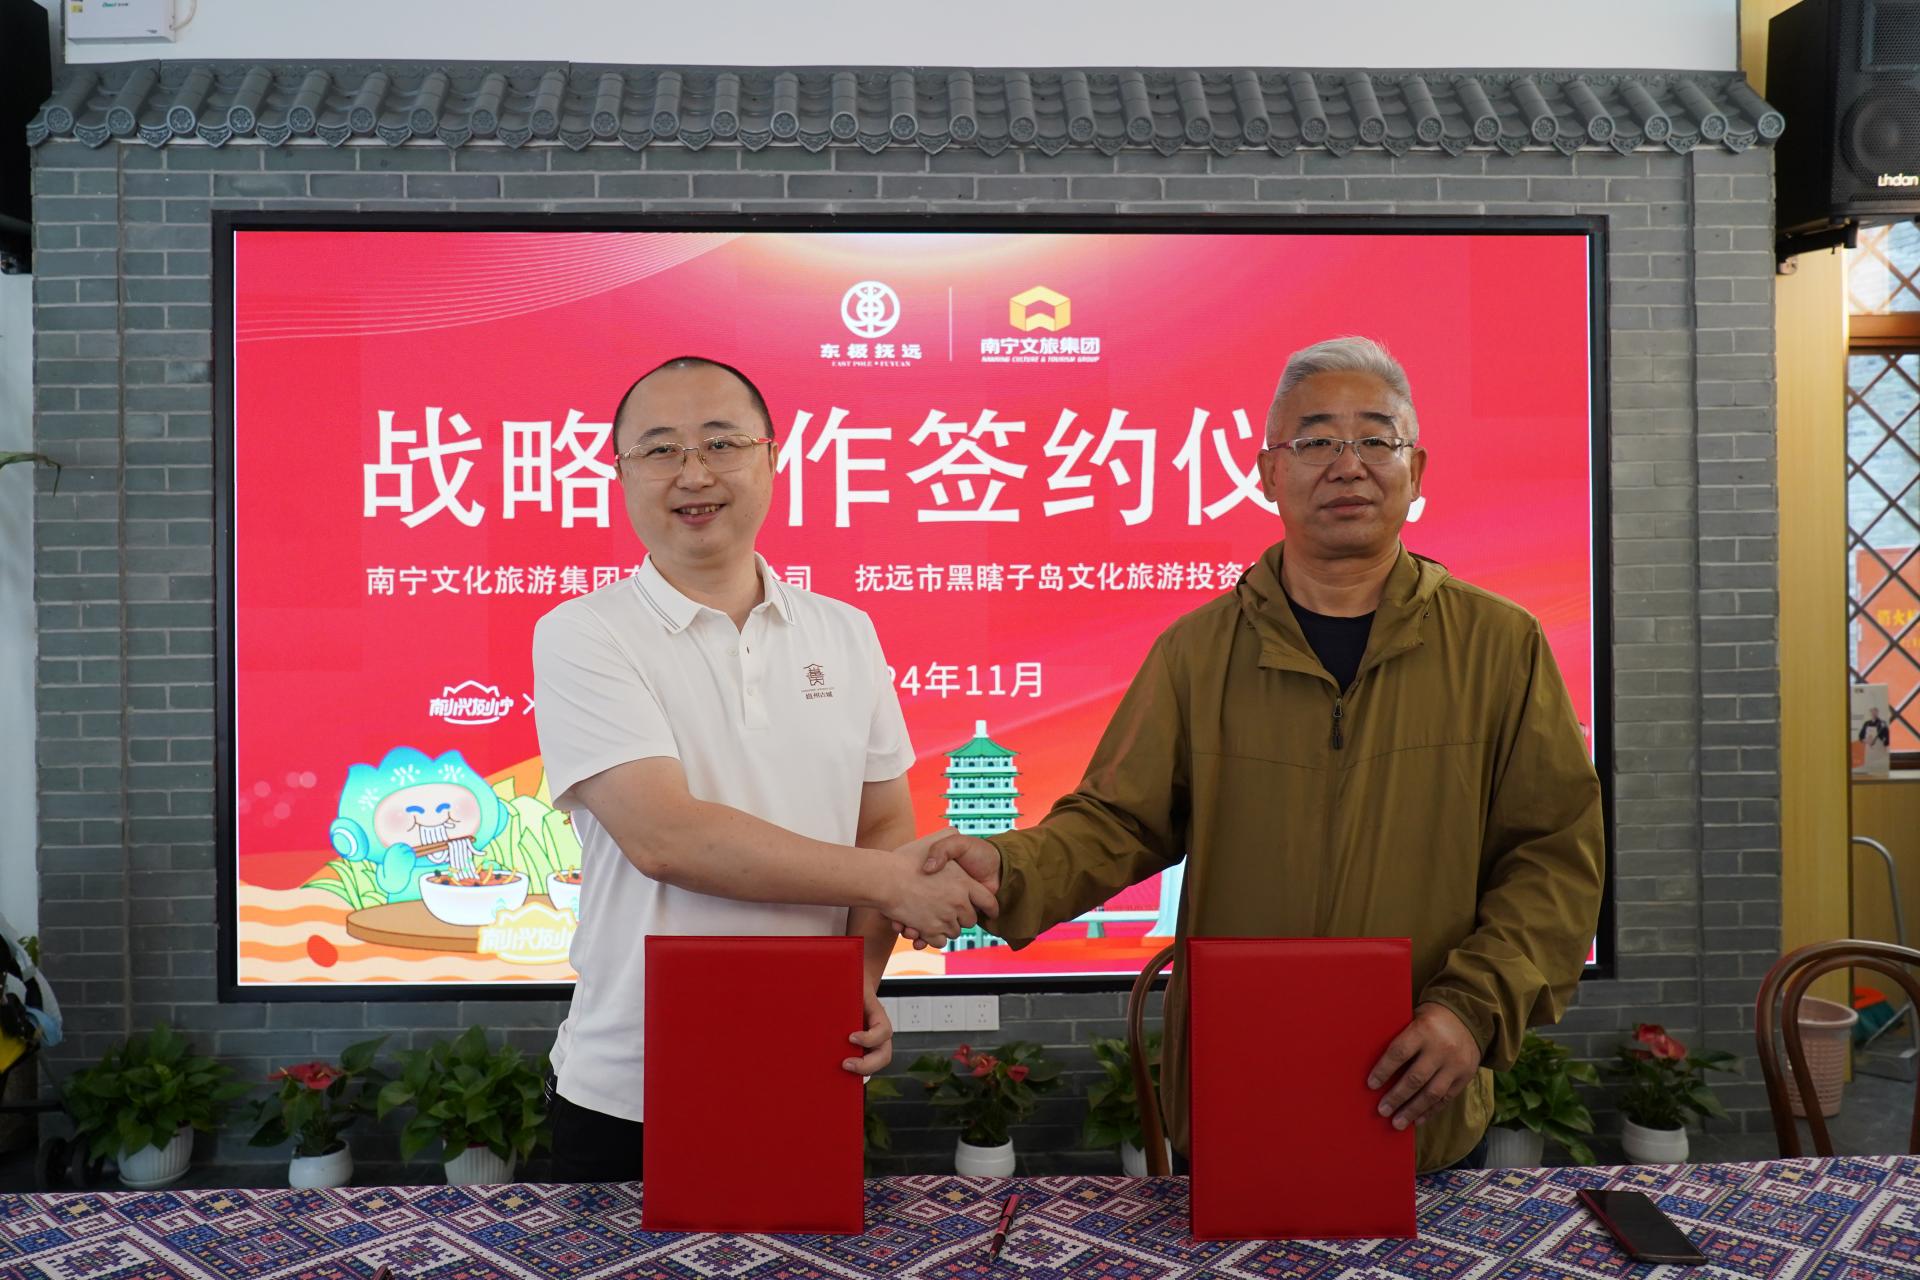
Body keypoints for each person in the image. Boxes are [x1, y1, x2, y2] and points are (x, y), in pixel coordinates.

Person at [916, 336, 1605, 1173]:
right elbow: (1115, 822)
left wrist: (1473, 1008)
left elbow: (1553, 857)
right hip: (1238, 1082)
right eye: (1316, 441)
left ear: (1416, 469)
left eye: (1375, 438)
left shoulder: (1501, 646)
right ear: (1268, 472)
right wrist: (1005, 866)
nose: (1347, 465)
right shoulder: (1198, 652)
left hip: (1421, 1089)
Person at [531, 356, 994, 1181]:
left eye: (722, 443)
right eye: (660, 449)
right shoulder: (583, 633)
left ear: (772, 459)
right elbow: (666, 838)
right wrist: (895, 883)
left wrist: (855, 980)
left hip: (810, 1054)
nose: (694, 474)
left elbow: (884, 824)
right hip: (633, 1081)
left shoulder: (845, 632)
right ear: (621, 473)